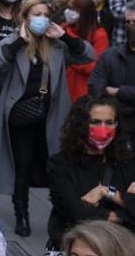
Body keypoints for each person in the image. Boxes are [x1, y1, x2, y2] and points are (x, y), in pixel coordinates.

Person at [0, 0, 93, 236]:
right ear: (25, 18)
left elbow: (88, 55)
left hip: (51, 115)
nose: (42, 19)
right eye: (36, 14)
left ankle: (63, 213)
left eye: (45, 14)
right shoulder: (14, 41)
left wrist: (64, 36)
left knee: (56, 166)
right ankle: (21, 214)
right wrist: (19, 41)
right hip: (20, 117)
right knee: (21, 166)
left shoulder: (57, 45)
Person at [46, 95, 135, 246]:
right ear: (81, 125)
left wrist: (107, 192)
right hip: (75, 251)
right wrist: (125, 214)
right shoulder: (60, 164)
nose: (103, 128)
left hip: (120, 253)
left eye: (109, 122)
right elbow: (77, 213)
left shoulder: (127, 162)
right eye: (95, 122)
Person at [90, 2, 135, 139]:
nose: (131, 26)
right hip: (118, 127)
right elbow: (95, 88)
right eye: (128, 22)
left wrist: (118, 91)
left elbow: (108, 90)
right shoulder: (109, 56)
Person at [64, 0, 107, 102]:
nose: (67, 11)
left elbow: (97, 66)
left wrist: (72, 62)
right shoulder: (63, 29)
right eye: (67, 8)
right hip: (64, 87)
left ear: (84, 12)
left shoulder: (99, 34)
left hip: (85, 89)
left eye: (72, 8)